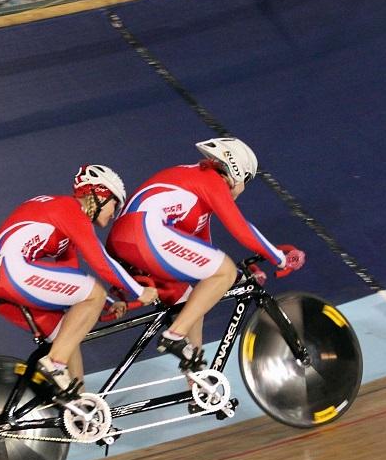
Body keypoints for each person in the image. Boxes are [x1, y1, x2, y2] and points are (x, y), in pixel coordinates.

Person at [106, 137, 306, 372]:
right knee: (223, 272)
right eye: (247, 181)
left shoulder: (198, 191)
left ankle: (198, 380)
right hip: (143, 233)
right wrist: (279, 258)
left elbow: (203, 254)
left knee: (191, 304)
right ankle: (173, 336)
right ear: (237, 170)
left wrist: (239, 275)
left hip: (129, 240)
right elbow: (241, 227)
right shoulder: (210, 180)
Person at [0, 164, 158, 401]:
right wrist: (138, 291)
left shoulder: (62, 217)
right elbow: (100, 261)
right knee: (91, 296)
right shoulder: (69, 209)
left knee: (68, 335)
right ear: (99, 194)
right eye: (115, 204)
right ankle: (53, 363)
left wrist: (109, 302)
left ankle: (79, 408)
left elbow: (69, 276)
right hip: (13, 271)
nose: (114, 214)